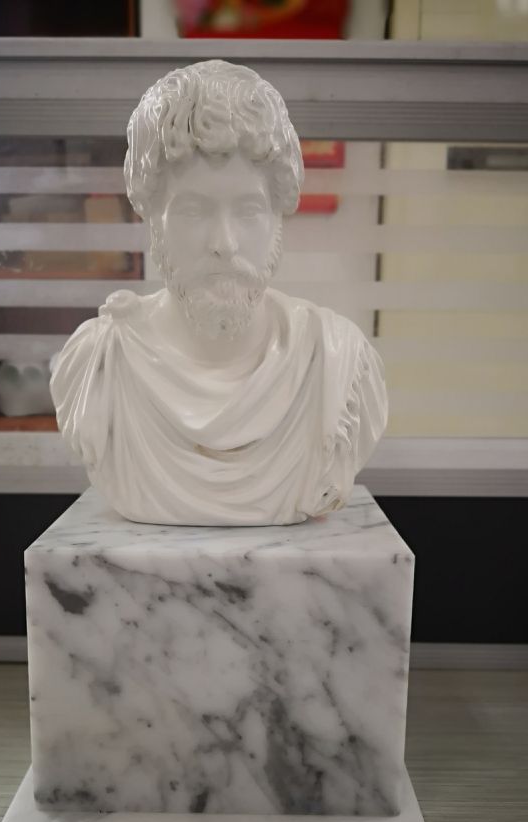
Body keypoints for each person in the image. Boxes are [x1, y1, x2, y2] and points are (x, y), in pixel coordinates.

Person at [50, 59, 387, 526]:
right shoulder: (99, 365)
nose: (224, 244)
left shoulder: (337, 366)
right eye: (192, 211)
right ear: (151, 217)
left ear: (278, 216)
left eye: (248, 210)